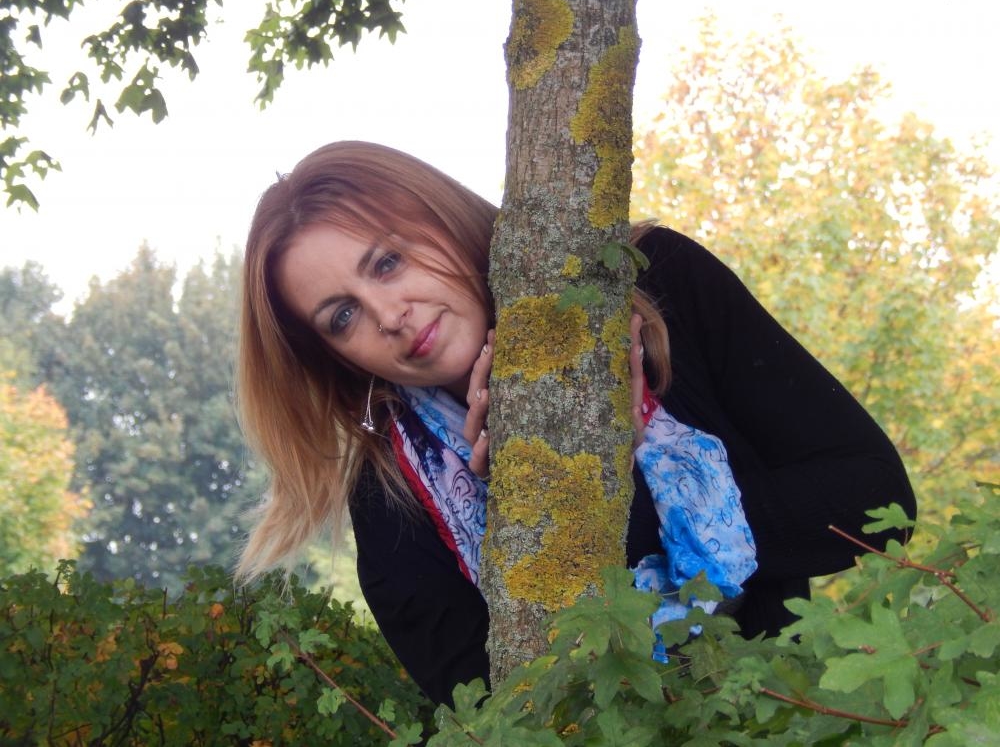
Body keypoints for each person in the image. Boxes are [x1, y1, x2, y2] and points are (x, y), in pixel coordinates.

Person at [235, 140, 916, 706]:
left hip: (797, 715)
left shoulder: (658, 282)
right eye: (342, 316)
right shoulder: (392, 499)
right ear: (333, 357)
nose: (389, 315)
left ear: (441, 217)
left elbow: (875, 500)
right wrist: (546, 507)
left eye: (388, 262)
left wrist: (628, 473)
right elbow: (514, 717)